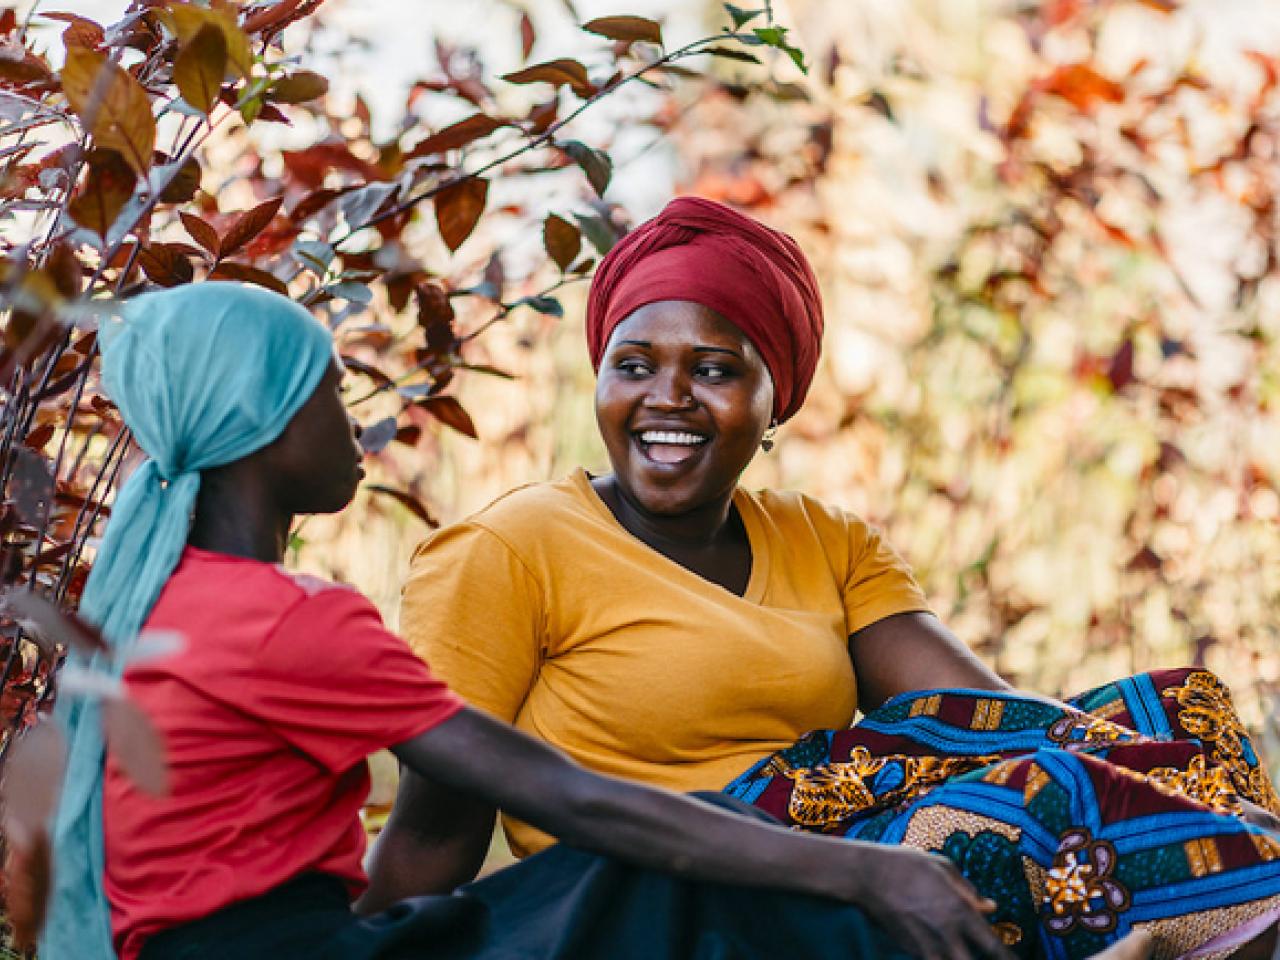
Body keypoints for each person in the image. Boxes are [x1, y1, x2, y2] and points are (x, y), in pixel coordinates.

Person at [393, 197, 1280, 959]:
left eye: (714, 370)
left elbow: (988, 722)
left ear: (776, 398)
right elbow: (437, 825)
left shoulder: (824, 540)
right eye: (634, 366)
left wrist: (1146, 769)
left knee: (1178, 710)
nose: (667, 397)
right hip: (668, 888)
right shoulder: (509, 547)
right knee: (1065, 794)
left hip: (838, 833)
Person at [39, 281, 1021, 960]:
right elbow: (570, 799)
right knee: (646, 874)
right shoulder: (291, 620)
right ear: (261, 427)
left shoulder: (153, 604)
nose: (356, 422)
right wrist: (864, 873)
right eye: (331, 392)